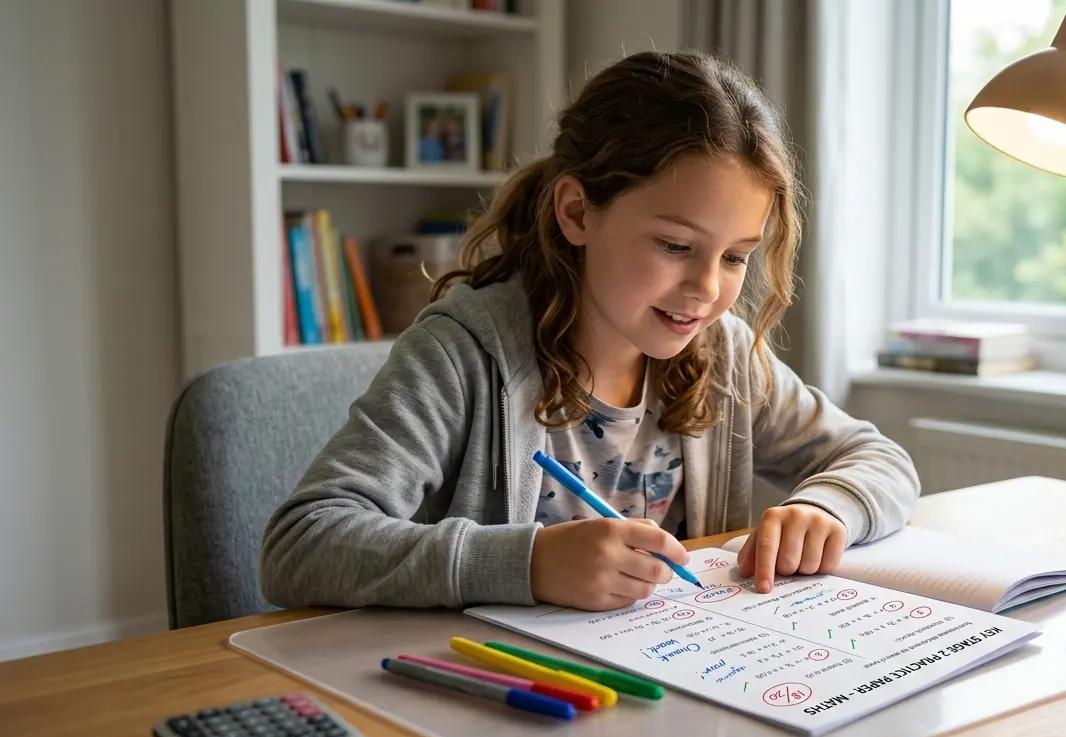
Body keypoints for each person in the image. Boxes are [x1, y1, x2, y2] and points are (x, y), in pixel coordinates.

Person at [260, 51, 919, 613]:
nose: (707, 289)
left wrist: (830, 510)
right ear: (577, 211)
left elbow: (879, 460)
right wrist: (529, 563)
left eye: (735, 257)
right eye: (674, 245)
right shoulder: (463, 354)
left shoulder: (722, 356)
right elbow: (302, 545)